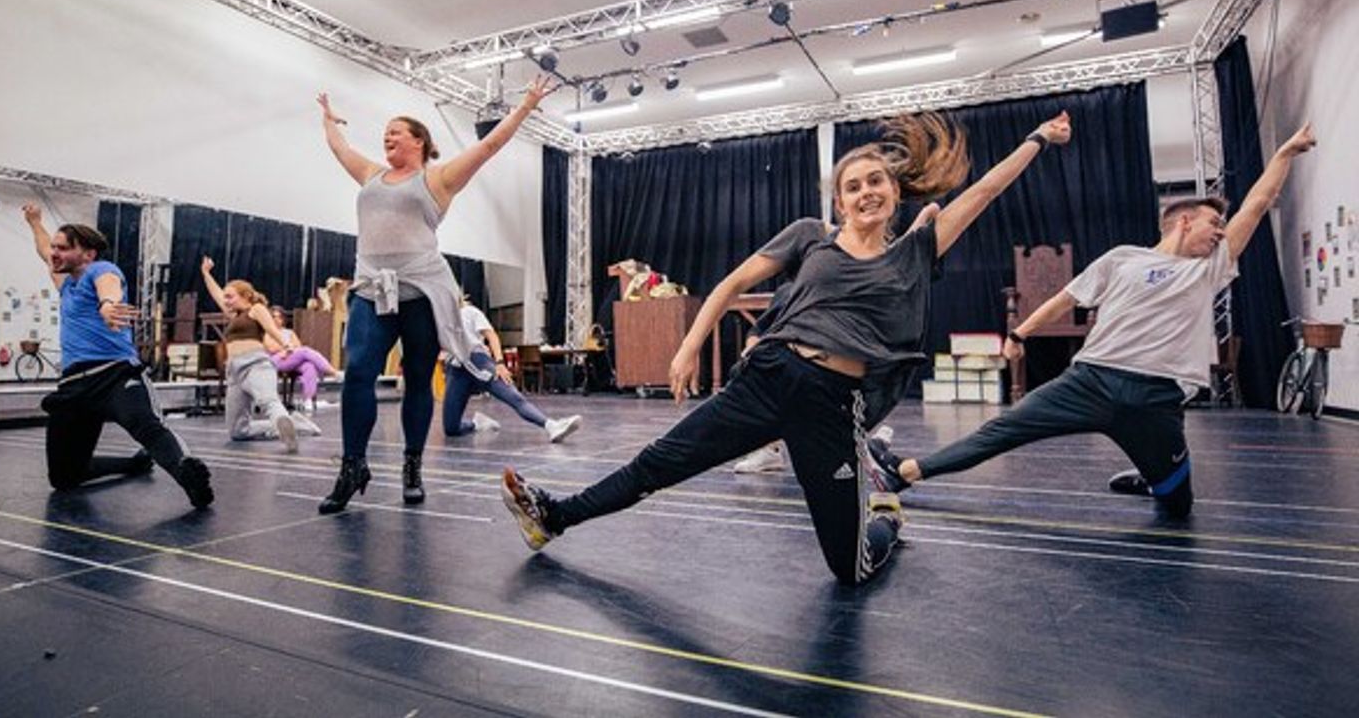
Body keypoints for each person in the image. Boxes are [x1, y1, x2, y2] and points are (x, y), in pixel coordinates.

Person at [502, 111, 1072, 584]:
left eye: (875, 182)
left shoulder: (916, 250)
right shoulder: (810, 237)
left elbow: (986, 191)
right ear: (841, 204)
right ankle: (555, 515)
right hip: (769, 377)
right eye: (853, 187)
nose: (865, 191)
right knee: (660, 462)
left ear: (894, 192)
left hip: (831, 404)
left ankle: (886, 521)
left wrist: (1037, 139)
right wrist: (688, 346)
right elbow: (731, 284)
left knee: (850, 570)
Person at [869, 122, 1317, 521]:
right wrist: (1019, 333)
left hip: (1155, 399)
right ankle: (903, 474)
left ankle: (1153, 475)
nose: (1221, 231)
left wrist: (1284, 154)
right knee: (999, 431)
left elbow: (1257, 205)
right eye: (1214, 223)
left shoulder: (1209, 268)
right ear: (1183, 221)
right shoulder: (1122, 259)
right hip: (1089, 382)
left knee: (1178, 506)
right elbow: (1065, 299)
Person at [316, 75, 556, 513]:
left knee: (419, 380)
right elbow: (340, 149)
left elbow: (488, 148)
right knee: (358, 374)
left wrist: (523, 107)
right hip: (372, 289)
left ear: (419, 141)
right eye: (384, 133)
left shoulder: (439, 178)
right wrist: (329, 121)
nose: (387, 137)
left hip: (421, 292)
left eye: (396, 132)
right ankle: (353, 466)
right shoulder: (372, 173)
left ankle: (412, 466)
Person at [21, 205, 213, 509]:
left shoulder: (102, 270)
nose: (54, 253)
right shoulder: (66, 285)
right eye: (55, 248)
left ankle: (186, 472)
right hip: (74, 386)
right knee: (63, 477)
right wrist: (34, 223)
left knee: (146, 425)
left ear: (88, 254)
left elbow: (108, 289)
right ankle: (133, 465)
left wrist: (108, 306)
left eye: (63, 248)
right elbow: (44, 249)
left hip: (115, 375)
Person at [732, 203, 941, 475]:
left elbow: (892, 261)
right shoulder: (790, 292)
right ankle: (772, 448)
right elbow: (757, 334)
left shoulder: (859, 274)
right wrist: (755, 362)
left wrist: (922, 222)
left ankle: (858, 444)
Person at [201, 258, 322, 452]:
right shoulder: (233, 316)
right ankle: (297, 425)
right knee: (237, 431)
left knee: (268, 401)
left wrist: (286, 344)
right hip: (234, 371)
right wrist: (206, 273)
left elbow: (271, 328)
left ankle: (287, 432)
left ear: (245, 296)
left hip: (256, 365)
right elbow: (216, 293)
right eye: (225, 298)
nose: (226, 301)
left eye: (230, 296)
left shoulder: (255, 309)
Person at [441, 296, 581, 442]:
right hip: (456, 370)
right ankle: (478, 423)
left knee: (514, 398)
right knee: (451, 428)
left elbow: (492, 336)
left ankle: (552, 425)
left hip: (478, 362)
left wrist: (500, 363)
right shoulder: (438, 320)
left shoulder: (469, 312)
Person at [268, 305, 338, 411]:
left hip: (290, 357)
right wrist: (287, 348)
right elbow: (271, 348)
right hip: (276, 359)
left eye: (279, 317)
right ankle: (332, 372)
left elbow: (297, 346)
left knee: (309, 366)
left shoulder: (289, 332)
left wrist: (289, 349)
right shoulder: (267, 332)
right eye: (274, 317)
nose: (277, 320)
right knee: (305, 351)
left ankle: (308, 399)